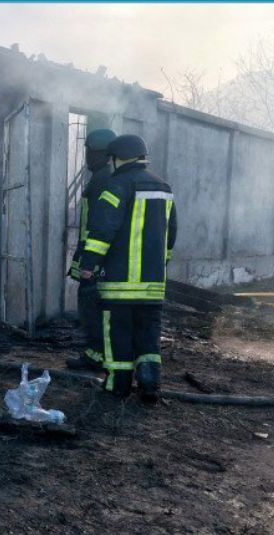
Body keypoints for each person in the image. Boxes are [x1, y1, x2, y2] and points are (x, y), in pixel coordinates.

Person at [77, 134, 177, 402]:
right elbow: (171, 235)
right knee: (148, 335)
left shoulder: (116, 186)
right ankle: (149, 383)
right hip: (153, 284)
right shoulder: (163, 188)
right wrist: (160, 266)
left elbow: (102, 231)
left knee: (117, 333)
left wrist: (88, 265)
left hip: (119, 284)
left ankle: (117, 386)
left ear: (118, 157)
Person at [66, 128, 117, 371]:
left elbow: (101, 227)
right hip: (92, 256)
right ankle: (95, 353)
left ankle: (97, 356)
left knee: (93, 309)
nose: (86, 156)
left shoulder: (103, 180)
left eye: (89, 152)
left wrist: (90, 262)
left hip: (96, 261)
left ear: (103, 154)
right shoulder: (101, 177)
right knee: (90, 308)